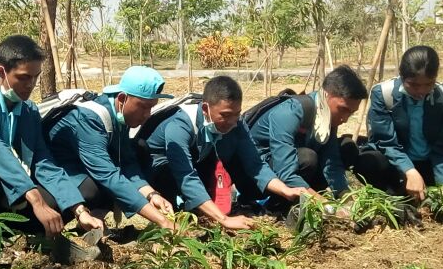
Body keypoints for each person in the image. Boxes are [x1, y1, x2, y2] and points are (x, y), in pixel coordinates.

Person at [0, 35, 104, 238]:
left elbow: (43, 160)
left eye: (36, 77)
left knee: (85, 190)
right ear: (1, 71)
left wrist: (79, 211)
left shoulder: (28, 110)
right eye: (24, 77)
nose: (31, 84)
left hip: (10, 182)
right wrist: (36, 200)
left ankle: (19, 230)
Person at [142, 75, 311, 233]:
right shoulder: (180, 125)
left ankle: (198, 210)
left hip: (192, 164)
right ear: (206, 109)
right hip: (158, 171)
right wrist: (224, 219)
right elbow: (185, 175)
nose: (231, 121)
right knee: (177, 211)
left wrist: (285, 190)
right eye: (225, 115)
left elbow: (256, 164)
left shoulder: (236, 123)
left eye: (236, 114)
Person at [44, 66, 176, 230]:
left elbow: (127, 162)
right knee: (92, 188)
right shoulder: (88, 117)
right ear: (122, 99)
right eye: (143, 106)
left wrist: (152, 194)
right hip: (51, 176)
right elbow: (107, 175)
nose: (147, 114)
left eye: (151, 107)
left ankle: (94, 223)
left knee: (139, 150)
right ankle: (50, 228)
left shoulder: (120, 116)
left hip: (78, 166)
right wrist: (162, 220)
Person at [355, 45, 443, 201]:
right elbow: (386, 143)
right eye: (413, 85)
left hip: (433, 161)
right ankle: (396, 197)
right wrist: (409, 170)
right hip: (398, 165)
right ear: (402, 76)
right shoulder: (383, 94)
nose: (421, 91)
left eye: (429, 84)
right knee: (366, 162)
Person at [246, 66, 366, 203]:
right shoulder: (291, 112)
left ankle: (305, 197)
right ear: (327, 95)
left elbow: (331, 162)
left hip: (288, 168)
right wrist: (324, 204)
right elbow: (286, 171)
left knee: (347, 147)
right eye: (343, 109)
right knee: (308, 157)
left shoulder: (327, 117)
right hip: (257, 177)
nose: (345, 119)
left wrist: (347, 199)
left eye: (351, 113)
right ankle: (279, 203)